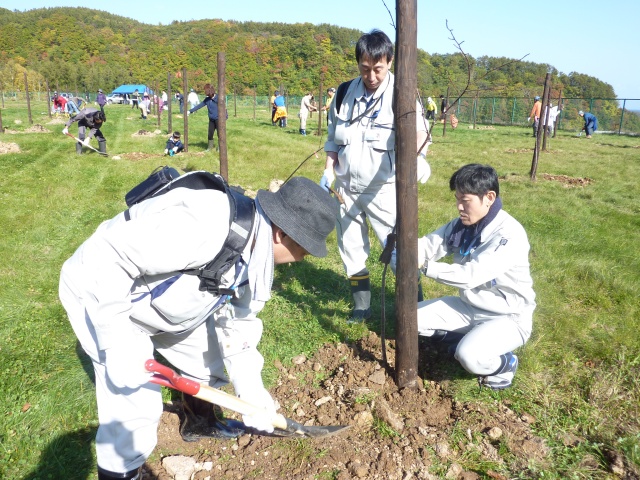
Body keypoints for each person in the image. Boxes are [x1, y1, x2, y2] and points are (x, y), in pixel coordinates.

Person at [59, 176, 337, 480]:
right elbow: (109, 257)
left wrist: (253, 395)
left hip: (164, 304)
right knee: (135, 408)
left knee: (211, 361)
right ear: (282, 235)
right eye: (304, 250)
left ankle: (199, 421)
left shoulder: (258, 255)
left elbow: (238, 324)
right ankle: (121, 472)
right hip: (104, 295)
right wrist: (116, 343)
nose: (301, 260)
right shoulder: (207, 224)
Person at [320, 29, 430, 323]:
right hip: (346, 189)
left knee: (398, 251)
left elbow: (420, 133)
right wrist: (328, 170)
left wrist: (417, 159)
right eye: (365, 68)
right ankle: (361, 306)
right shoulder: (344, 94)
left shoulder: (402, 93)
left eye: (377, 69)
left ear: (390, 62)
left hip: (384, 190)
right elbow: (333, 138)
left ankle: (415, 310)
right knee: (351, 250)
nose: (371, 76)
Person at [407, 164, 535, 390]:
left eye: (465, 201)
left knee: (468, 356)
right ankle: (464, 340)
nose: (459, 207)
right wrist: (405, 249)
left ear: (489, 197)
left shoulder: (509, 235)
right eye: (456, 199)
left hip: (508, 317)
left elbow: (471, 276)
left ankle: (505, 363)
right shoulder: (462, 226)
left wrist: (426, 266)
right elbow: (430, 244)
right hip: (468, 307)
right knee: (408, 320)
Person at [187, 83, 224, 151]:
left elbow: (224, 108)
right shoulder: (207, 100)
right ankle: (210, 147)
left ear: (209, 91)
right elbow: (199, 105)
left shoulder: (218, 98)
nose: (205, 92)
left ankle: (220, 147)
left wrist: (225, 118)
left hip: (219, 120)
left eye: (205, 91)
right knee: (210, 134)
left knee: (220, 134)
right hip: (211, 120)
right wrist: (190, 111)